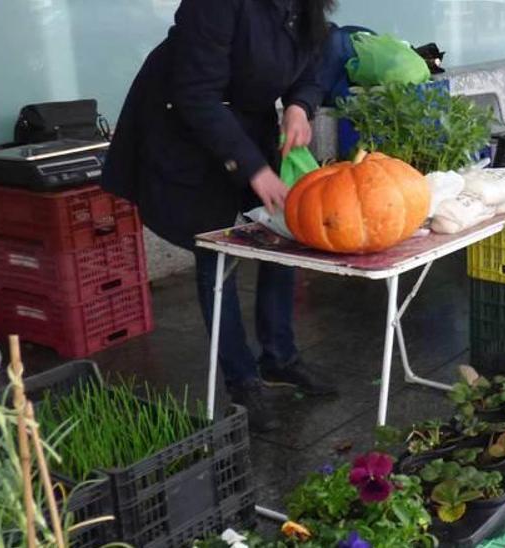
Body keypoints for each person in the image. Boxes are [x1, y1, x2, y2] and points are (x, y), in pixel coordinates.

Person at [102, 0, 338, 432]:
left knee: (281, 234)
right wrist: (254, 169)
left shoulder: (304, 5)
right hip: (185, 128)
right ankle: (242, 379)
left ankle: (279, 358)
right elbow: (195, 94)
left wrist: (300, 105)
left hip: (245, 122)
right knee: (217, 249)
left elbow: (314, 59)